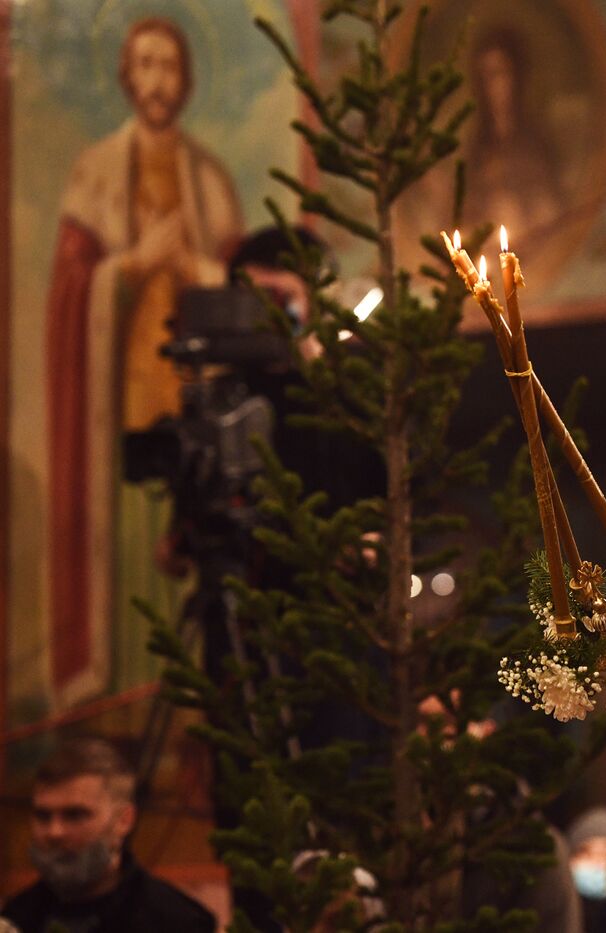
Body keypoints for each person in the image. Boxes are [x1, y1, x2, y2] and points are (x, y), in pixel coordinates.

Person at [45, 16, 243, 701]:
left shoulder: (210, 180)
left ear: (185, 79)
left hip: (195, 403)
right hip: (123, 405)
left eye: (169, 65)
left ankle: (193, 730)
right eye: (146, 64)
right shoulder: (95, 172)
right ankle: (121, 715)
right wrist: (130, 268)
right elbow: (72, 290)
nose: (158, 80)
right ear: (128, 75)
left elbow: (243, 299)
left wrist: (191, 266)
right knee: (129, 561)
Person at [1, 738, 215, 932]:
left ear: (124, 820)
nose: (54, 832)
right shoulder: (17, 918)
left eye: (75, 815)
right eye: (43, 816)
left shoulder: (178, 922)